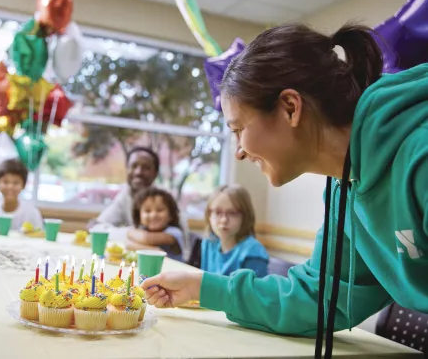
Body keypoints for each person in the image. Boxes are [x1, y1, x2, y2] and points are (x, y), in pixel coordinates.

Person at [142, 22, 428, 358]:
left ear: (290, 107)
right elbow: (318, 297)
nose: (239, 151)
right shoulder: (344, 188)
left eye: (238, 130)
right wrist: (202, 287)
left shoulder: (419, 159)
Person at [201, 185, 268, 277]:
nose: (224, 220)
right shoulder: (209, 242)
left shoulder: (253, 252)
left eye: (232, 213)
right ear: (209, 215)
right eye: (217, 212)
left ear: (245, 216)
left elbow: (255, 291)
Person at [0, 158, 43, 231]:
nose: (10, 186)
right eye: (5, 182)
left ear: (24, 185)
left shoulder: (32, 214)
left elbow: (39, 236)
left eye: (16, 183)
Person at [127, 187, 187, 262]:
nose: (153, 215)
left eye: (160, 210)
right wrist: (154, 250)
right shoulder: (142, 230)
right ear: (139, 216)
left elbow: (147, 239)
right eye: (147, 211)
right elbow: (128, 244)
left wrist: (130, 232)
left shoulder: (174, 232)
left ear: (171, 215)